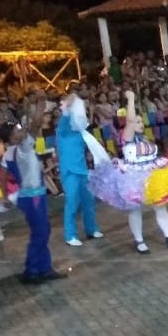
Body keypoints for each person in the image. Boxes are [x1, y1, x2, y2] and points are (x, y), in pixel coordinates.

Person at [88, 91, 168, 254]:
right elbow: (130, 120)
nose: (140, 124)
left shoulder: (144, 138)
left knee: (160, 206)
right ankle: (139, 240)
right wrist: (131, 99)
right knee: (135, 209)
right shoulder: (126, 137)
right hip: (133, 178)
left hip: (151, 175)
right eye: (137, 122)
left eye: (141, 122)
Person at [0, 93, 64, 284]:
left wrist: (4, 196)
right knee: (41, 232)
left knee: (41, 231)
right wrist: (41, 103)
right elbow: (35, 124)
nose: (21, 132)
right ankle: (32, 270)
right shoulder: (24, 146)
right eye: (17, 131)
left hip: (27, 197)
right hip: (33, 197)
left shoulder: (8, 152)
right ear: (11, 137)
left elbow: (3, 177)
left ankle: (44, 268)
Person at [56, 93, 104, 246]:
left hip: (82, 170)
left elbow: (84, 123)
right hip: (70, 172)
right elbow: (65, 116)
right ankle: (70, 235)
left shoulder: (80, 132)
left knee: (88, 201)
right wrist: (69, 104)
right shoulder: (62, 129)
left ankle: (92, 228)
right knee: (72, 202)